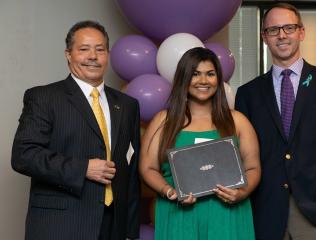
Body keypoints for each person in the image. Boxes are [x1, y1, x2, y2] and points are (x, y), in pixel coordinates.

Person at [235, 3, 316, 240]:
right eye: (273, 30)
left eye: (289, 28)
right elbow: (241, 156)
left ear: (301, 32)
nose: (281, 35)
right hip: (264, 212)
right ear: (264, 37)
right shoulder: (247, 93)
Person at [11, 20, 140, 240]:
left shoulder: (127, 105)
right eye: (83, 49)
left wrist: (129, 231)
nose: (93, 56)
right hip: (62, 225)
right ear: (68, 54)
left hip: (113, 227)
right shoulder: (44, 97)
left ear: (107, 55)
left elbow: (131, 171)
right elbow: (23, 155)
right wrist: (83, 168)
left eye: (100, 50)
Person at [139, 47, 261, 240]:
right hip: (179, 215)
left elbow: (253, 167)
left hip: (227, 215)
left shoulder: (237, 121)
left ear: (218, 79)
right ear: (183, 78)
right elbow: (148, 168)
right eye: (195, 74)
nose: (203, 81)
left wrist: (241, 193)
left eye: (210, 74)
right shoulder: (164, 121)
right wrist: (169, 191)